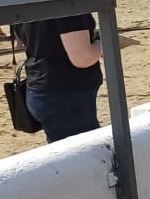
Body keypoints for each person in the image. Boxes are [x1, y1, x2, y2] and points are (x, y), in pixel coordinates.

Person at [19, 14, 105, 143]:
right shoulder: (66, 1)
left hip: (40, 88)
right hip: (67, 94)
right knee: (83, 152)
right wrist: (104, 43)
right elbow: (83, 57)